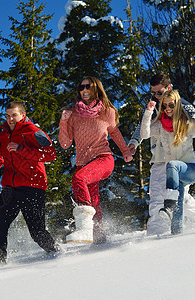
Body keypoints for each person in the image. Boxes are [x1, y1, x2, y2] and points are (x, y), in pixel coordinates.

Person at [58, 76, 133, 244]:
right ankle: (99, 238)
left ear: (96, 89)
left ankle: (84, 230)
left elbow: (114, 132)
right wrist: (64, 122)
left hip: (103, 159)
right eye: (81, 87)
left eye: (88, 86)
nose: (84, 90)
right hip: (83, 164)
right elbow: (65, 144)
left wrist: (126, 151)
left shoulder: (107, 112)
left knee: (78, 179)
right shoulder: (73, 114)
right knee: (93, 202)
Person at [0, 101, 58, 265]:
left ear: (23, 116)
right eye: (8, 115)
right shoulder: (3, 135)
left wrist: (21, 149)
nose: (10, 119)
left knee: (37, 231)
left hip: (33, 186)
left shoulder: (34, 132)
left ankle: (56, 252)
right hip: (10, 187)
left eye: (14, 115)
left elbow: (50, 154)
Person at [128, 72, 195, 235]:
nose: (156, 96)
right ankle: (156, 235)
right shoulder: (153, 107)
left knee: (179, 198)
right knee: (155, 199)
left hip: (178, 160)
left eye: (159, 92)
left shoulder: (184, 105)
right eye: (153, 92)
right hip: (158, 159)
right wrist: (133, 143)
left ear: (169, 88)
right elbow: (142, 129)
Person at [141, 89, 195, 234]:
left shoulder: (188, 123)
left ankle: (169, 203)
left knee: (171, 165)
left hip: (190, 170)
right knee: (177, 217)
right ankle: (177, 236)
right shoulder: (160, 126)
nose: (168, 109)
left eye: (171, 105)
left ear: (177, 104)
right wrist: (148, 113)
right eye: (164, 106)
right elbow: (145, 134)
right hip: (175, 177)